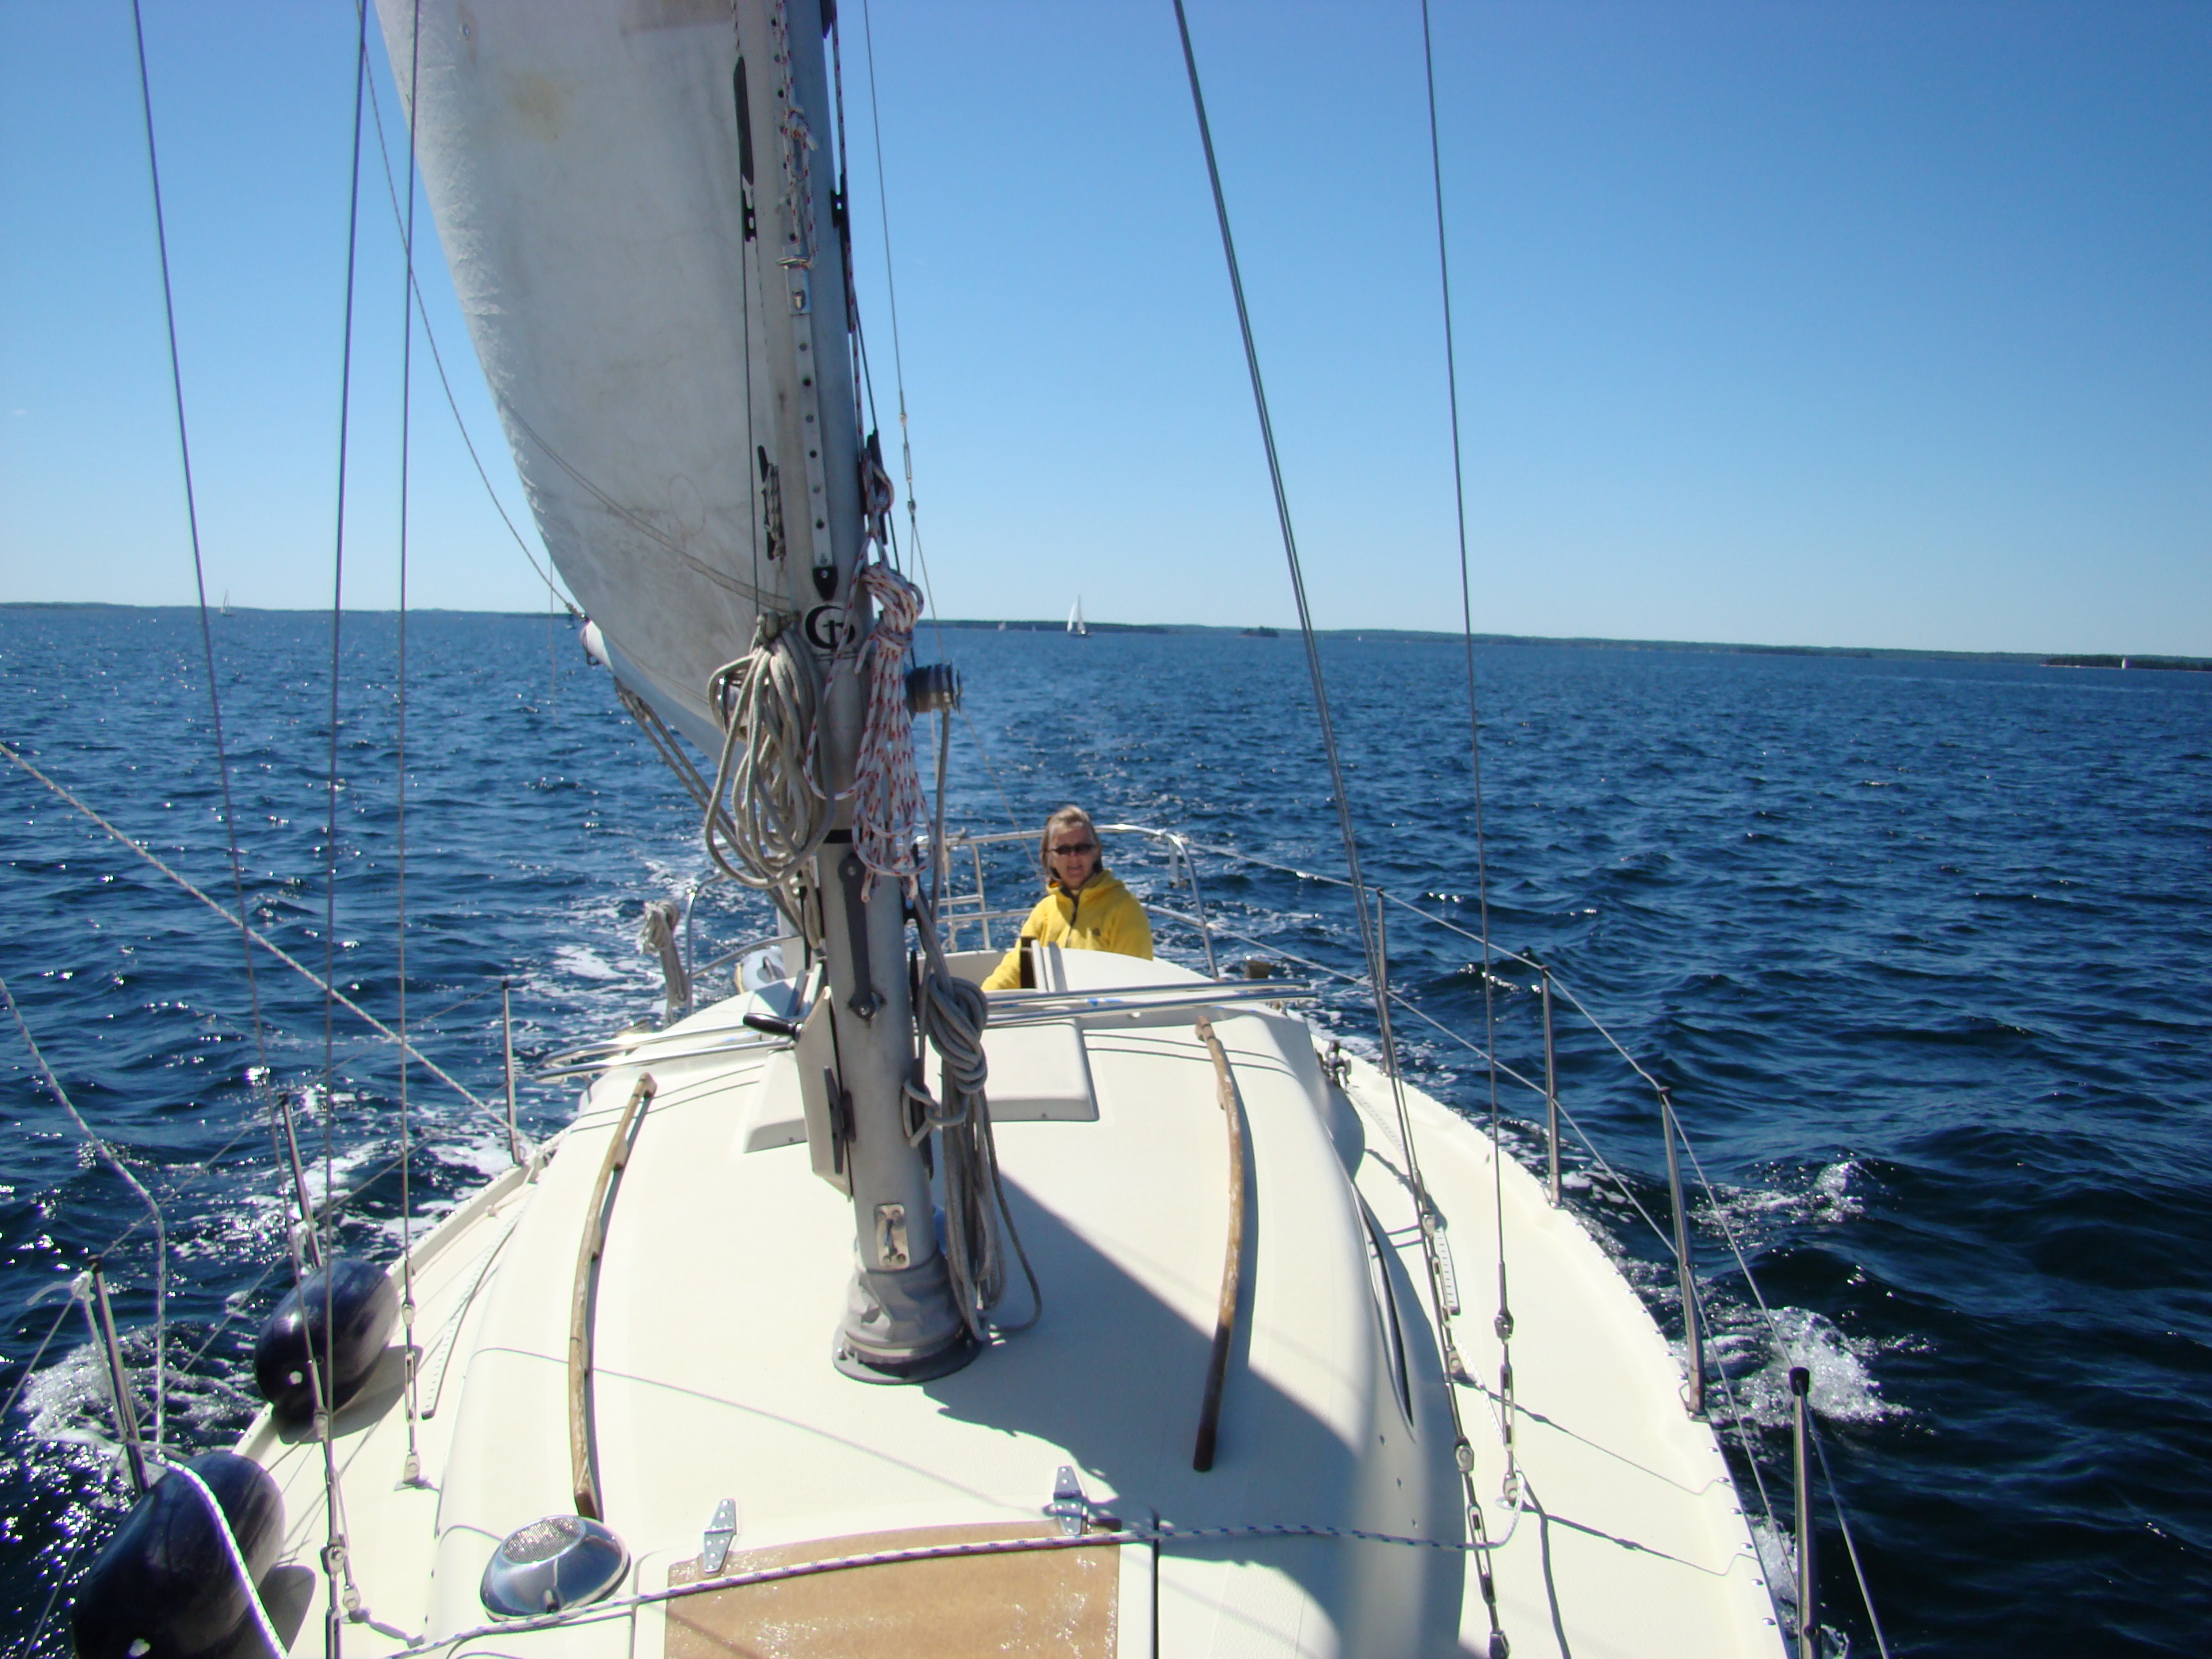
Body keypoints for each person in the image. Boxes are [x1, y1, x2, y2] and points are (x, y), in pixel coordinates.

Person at [980, 806, 1153, 990]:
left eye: (1082, 848)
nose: (1074, 857)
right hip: (1053, 1014)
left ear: (1096, 852)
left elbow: (1136, 983)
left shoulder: (1124, 910)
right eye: (1063, 850)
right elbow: (1014, 972)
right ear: (1050, 858)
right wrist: (982, 1001)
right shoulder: (1044, 913)